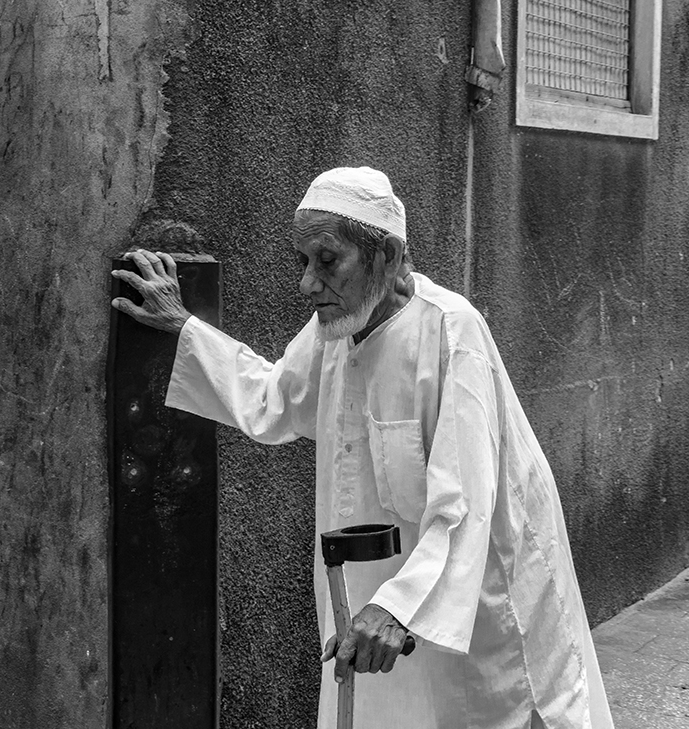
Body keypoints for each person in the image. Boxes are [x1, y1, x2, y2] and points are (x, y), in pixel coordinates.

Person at [111, 167, 614, 729]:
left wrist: (399, 607)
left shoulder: (452, 333)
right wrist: (183, 327)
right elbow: (276, 399)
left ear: (389, 256)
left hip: (474, 593)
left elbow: (465, 503)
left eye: (327, 261)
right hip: (381, 595)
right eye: (303, 261)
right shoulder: (338, 328)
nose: (307, 283)